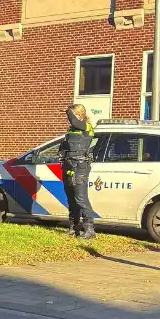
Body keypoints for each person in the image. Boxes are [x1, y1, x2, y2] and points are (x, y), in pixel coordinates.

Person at [60, 103, 95, 240]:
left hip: (80, 166)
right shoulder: (71, 130)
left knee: (81, 198)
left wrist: (68, 110)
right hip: (69, 165)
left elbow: (74, 121)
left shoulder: (86, 127)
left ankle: (89, 229)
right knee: (71, 198)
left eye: (72, 114)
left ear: (79, 114)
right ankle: (74, 226)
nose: (69, 118)